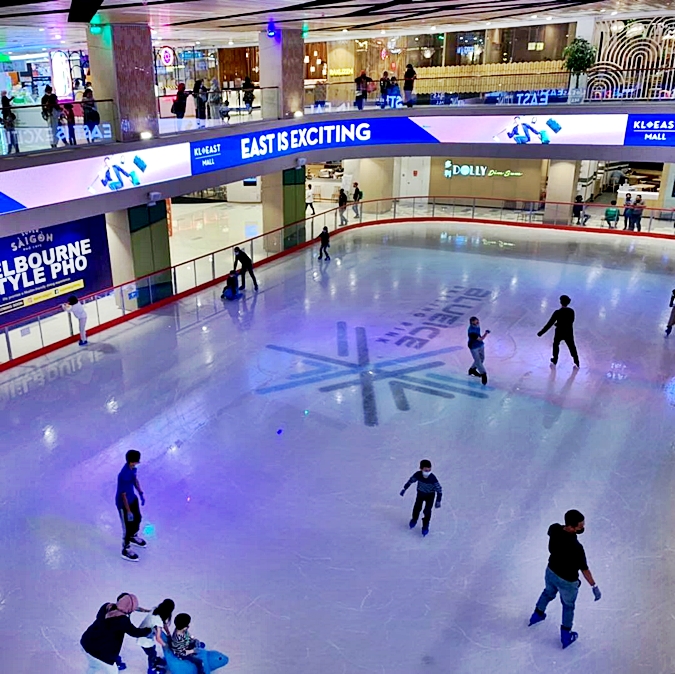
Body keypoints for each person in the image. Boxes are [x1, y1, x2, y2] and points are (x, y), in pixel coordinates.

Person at [529, 509, 601, 649]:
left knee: (548, 593)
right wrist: (594, 586)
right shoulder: (576, 547)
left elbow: (552, 532)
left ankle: (536, 616)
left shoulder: (554, 528)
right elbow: (584, 569)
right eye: (580, 525)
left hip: (551, 572)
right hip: (568, 581)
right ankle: (566, 636)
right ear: (572, 526)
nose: (583, 527)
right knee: (568, 606)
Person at [81, 594, 152, 673]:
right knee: (113, 671)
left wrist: (145, 610)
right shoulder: (122, 620)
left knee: (93, 666)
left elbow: (122, 608)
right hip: (99, 652)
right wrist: (150, 629)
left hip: (87, 642)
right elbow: (135, 632)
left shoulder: (107, 606)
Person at [116, 449, 146, 562]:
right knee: (127, 527)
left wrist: (140, 492)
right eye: (137, 461)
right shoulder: (123, 475)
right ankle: (126, 549)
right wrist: (128, 511)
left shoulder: (132, 469)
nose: (138, 462)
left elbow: (135, 480)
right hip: (124, 504)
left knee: (138, 518)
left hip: (133, 499)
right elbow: (123, 495)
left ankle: (133, 536)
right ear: (132, 461)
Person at [399, 459, 442, 537]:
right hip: (420, 494)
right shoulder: (418, 475)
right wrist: (404, 488)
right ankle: (414, 519)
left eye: (429, 470)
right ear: (421, 469)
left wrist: (438, 500)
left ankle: (425, 525)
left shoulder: (432, 478)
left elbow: (439, 489)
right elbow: (410, 481)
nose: (428, 472)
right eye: (426, 470)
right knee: (417, 507)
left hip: (430, 496)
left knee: (427, 511)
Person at [537, 294, 579, 368]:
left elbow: (550, 323)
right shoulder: (571, 311)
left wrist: (541, 332)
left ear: (560, 302)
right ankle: (576, 361)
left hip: (559, 332)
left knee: (556, 345)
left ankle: (555, 359)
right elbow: (571, 321)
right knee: (572, 346)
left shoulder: (557, 312)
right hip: (568, 332)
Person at [137, 599, 175, 672]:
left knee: (153, 651)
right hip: (144, 640)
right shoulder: (158, 621)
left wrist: (169, 634)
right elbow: (158, 638)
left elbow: (164, 624)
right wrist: (166, 645)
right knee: (151, 654)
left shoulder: (155, 610)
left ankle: (155, 659)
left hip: (143, 634)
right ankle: (151, 669)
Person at [467, 316, 490, 386]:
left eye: (478, 320)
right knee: (478, 361)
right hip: (474, 347)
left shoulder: (477, 325)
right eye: (476, 321)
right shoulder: (471, 332)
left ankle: (472, 369)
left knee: (482, 359)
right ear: (472, 322)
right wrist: (486, 333)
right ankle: (483, 374)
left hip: (480, 345)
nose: (478, 322)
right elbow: (480, 339)